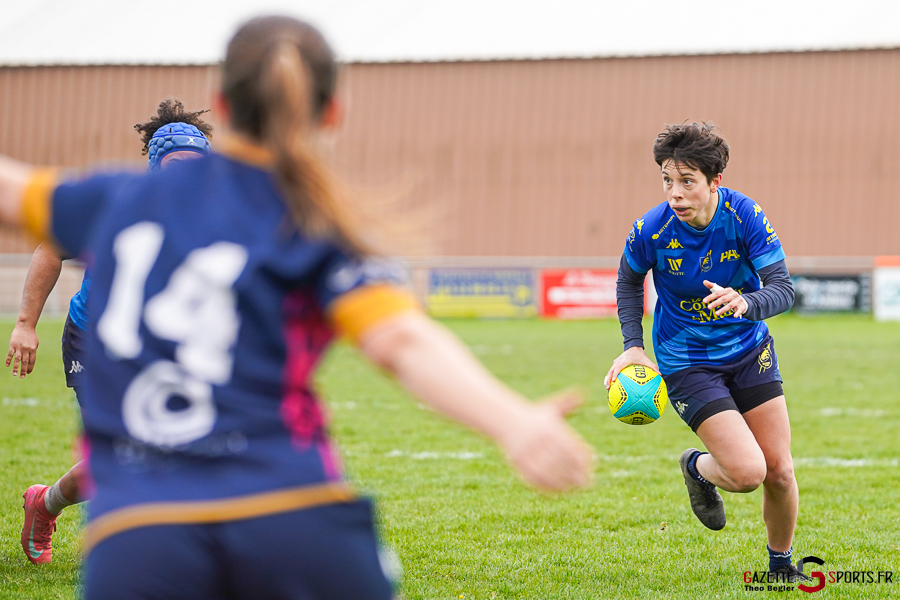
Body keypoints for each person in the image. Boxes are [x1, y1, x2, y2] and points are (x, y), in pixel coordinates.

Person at [0, 15, 592, 599]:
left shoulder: (111, 197)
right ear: (333, 114)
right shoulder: (316, 223)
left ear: (220, 105)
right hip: (290, 510)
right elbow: (402, 342)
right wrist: (514, 421)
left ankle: (49, 504)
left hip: (138, 533)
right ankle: (47, 504)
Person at [8, 98, 213, 565]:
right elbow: (51, 249)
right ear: (156, 164)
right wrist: (24, 325)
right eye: (177, 164)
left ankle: (44, 503)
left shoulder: (212, 216)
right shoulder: (118, 203)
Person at [604, 122, 806, 582]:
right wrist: (633, 346)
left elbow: (783, 289)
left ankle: (780, 567)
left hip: (749, 351)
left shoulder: (745, 215)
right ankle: (696, 466)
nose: (675, 193)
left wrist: (747, 302)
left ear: (716, 181)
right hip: (687, 361)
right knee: (747, 472)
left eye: (687, 181)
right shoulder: (651, 229)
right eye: (667, 180)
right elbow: (628, 280)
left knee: (779, 470)